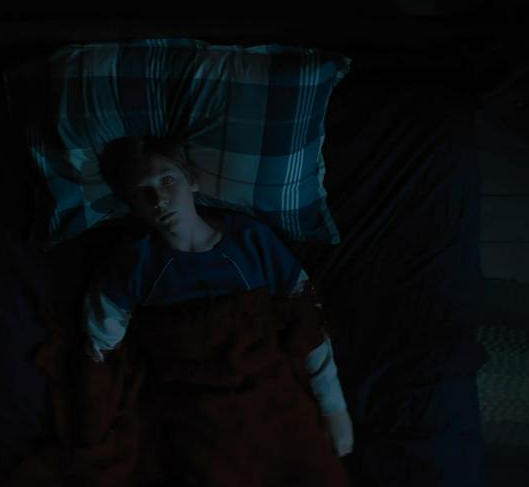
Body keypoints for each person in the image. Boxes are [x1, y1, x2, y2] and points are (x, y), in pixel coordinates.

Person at [78, 134, 353, 485]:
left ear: (191, 181)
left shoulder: (250, 240)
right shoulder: (135, 264)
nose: (159, 199)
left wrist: (335, 410)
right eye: (143, 192)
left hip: (272, 396)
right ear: (132, 206)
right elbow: (100, 343)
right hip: (199, 413)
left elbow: (307, 324)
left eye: (167, 180)